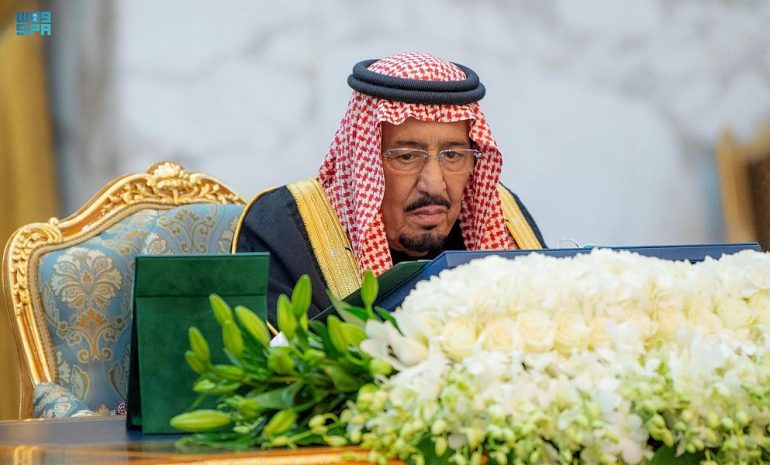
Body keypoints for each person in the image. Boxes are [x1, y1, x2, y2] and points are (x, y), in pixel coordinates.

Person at [233, 51, 545, 323]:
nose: (434, 184)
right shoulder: (286, 229)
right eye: (407, 156)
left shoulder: (503, 219)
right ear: (363, 160)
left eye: (453, 155)